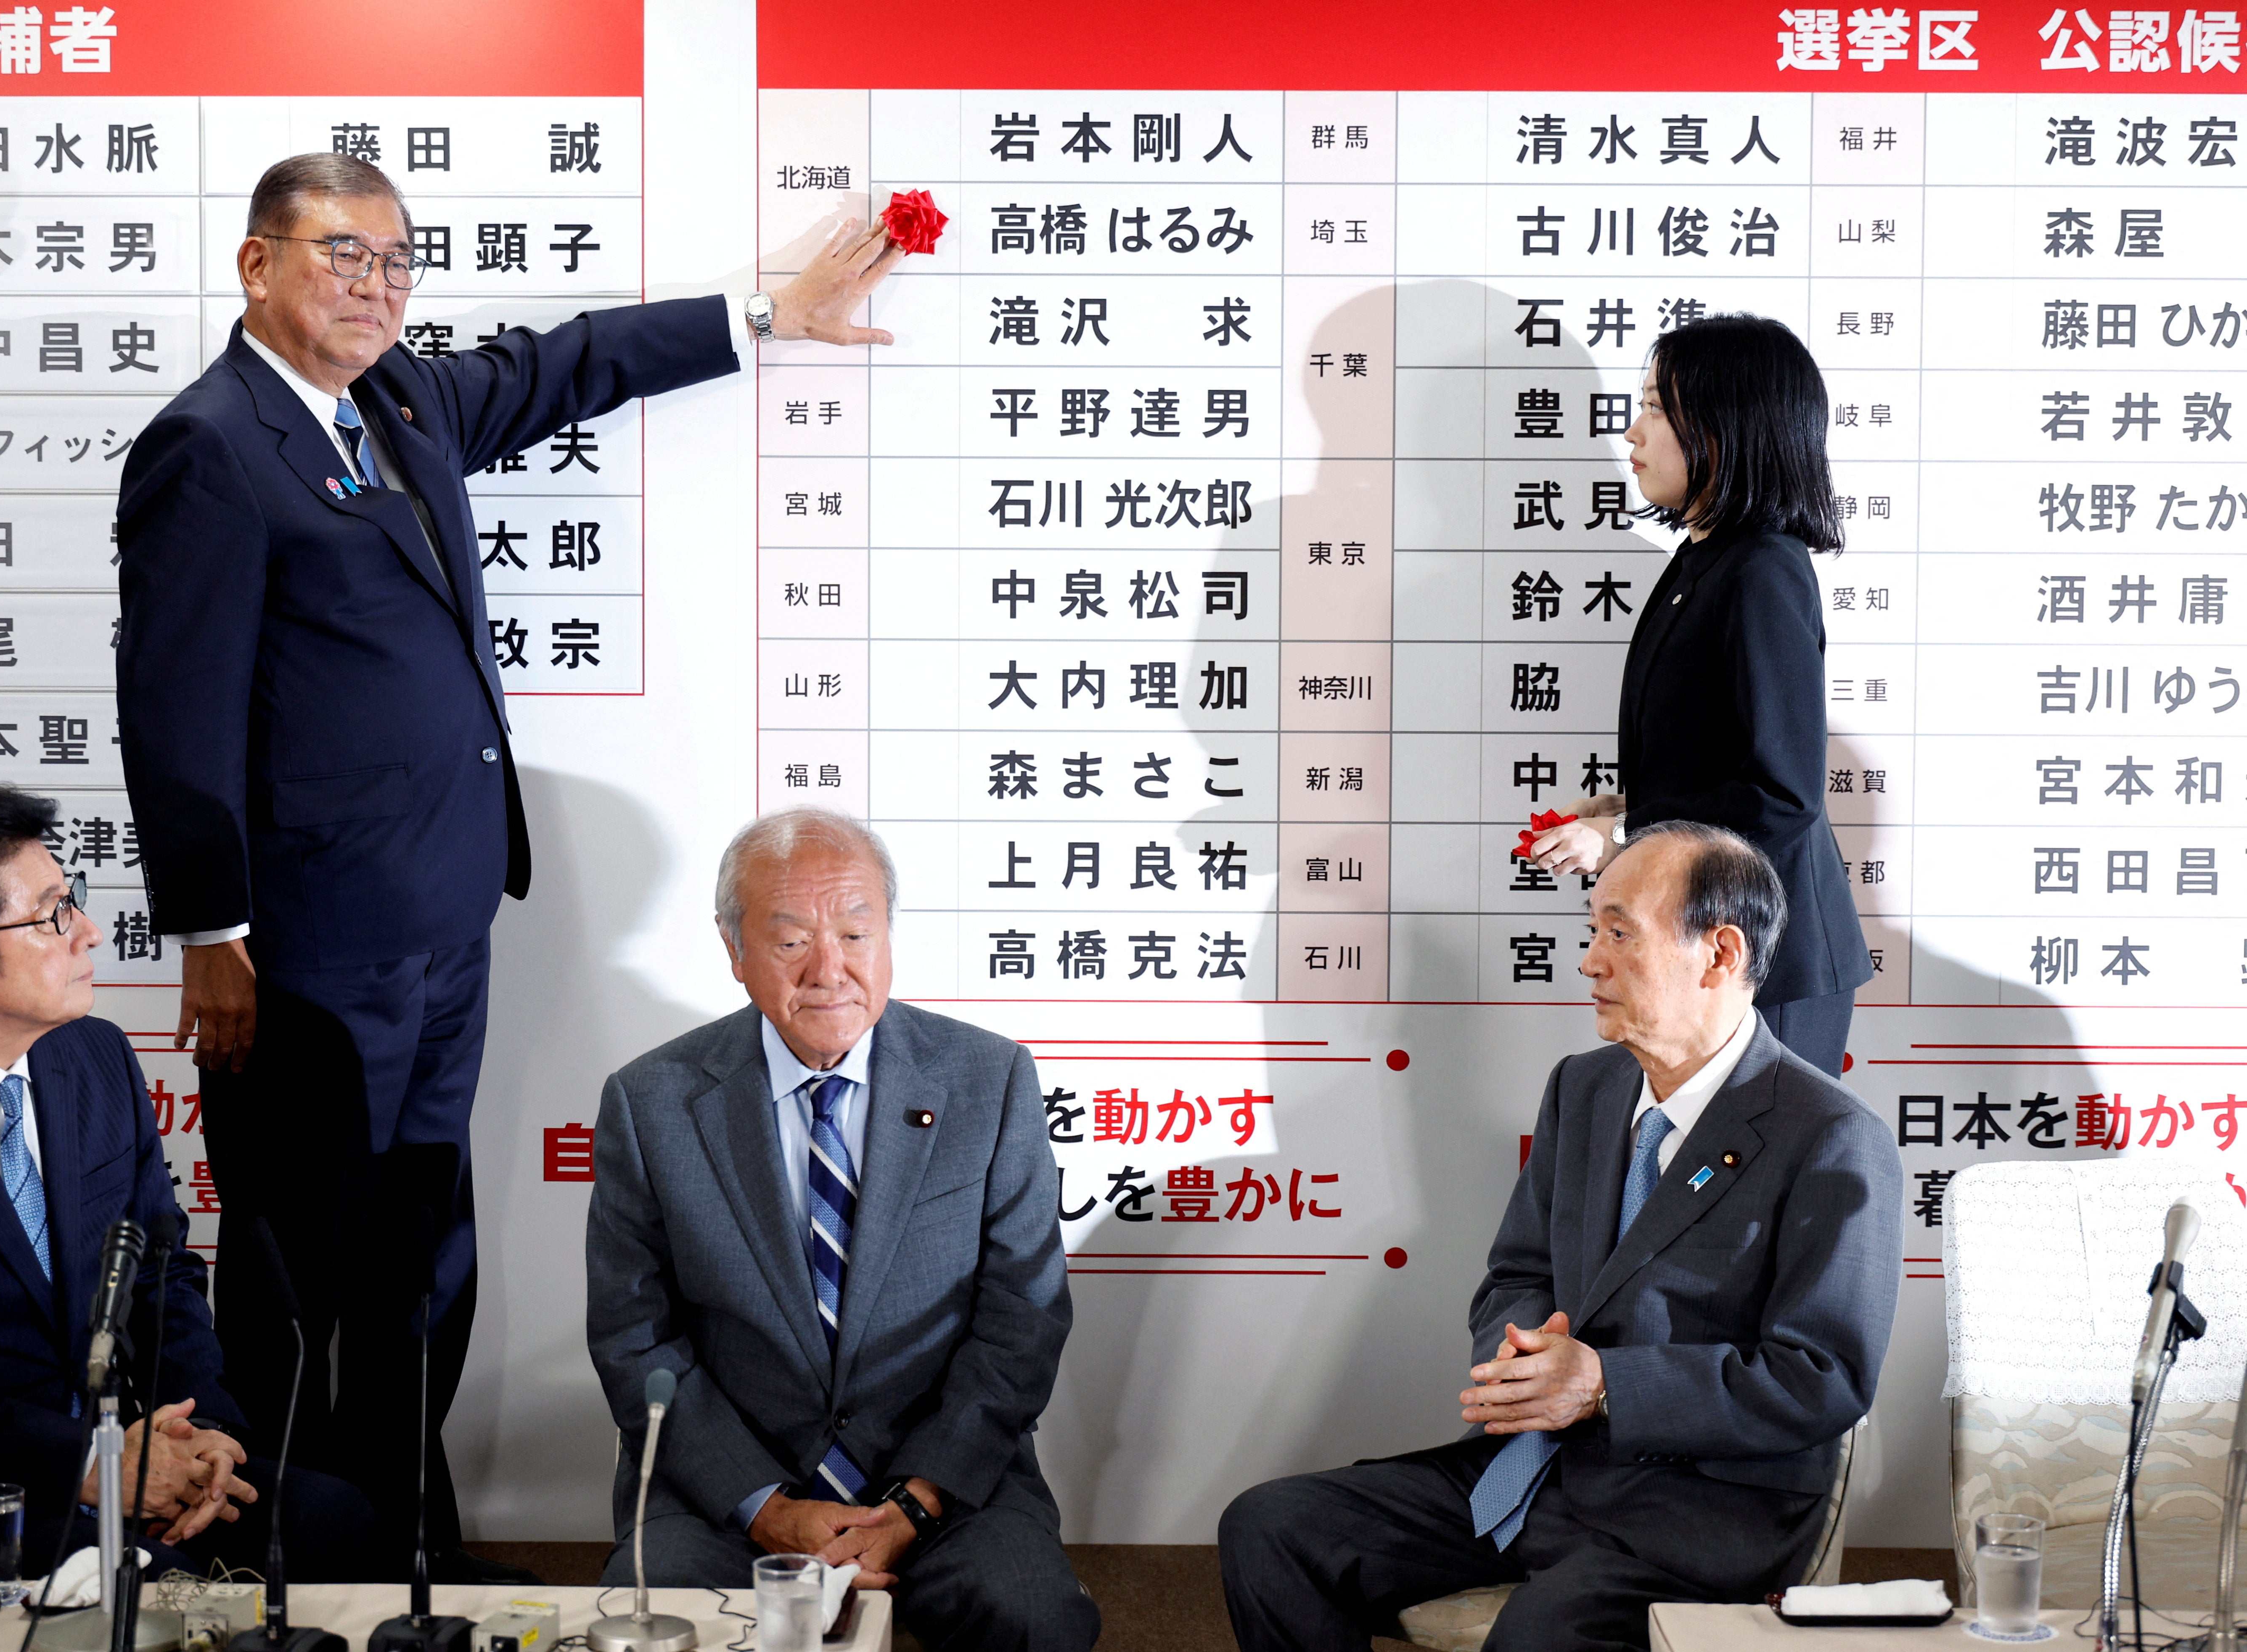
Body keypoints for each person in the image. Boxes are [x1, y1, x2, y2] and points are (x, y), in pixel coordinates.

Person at [113, 152, 900, 1578]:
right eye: (344, 257)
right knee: (309, 1279)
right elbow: (174, 713)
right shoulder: (211, 446)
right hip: (304, 950)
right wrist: (211, 936)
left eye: (398, 262)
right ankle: (294, 1551)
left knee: (424, 1263)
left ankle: (404, 1539)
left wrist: (766, 311)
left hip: (443, 926)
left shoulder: (402, 400)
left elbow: (566, 366)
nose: (377, 288)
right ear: (257, 265)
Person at [1219, 822, 1902, 1652]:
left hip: (1699, 1510)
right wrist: (1523, 1358)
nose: (1588, 961)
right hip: (1541, 1468)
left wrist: (1606, 1383)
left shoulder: (1826, 1134)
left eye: (1619, 933)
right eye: (1591, 933)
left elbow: (1821, 1377)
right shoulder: (1584, 1088)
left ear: (1719, 954)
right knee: (1276, 1529)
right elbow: (1517, 1269)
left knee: (1543, 1635)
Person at [0, 785, 372, 1580]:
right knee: (151, 1584)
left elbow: (163, 1273)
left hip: (131, 1450)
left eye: (74, 896)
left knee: (336, 1520)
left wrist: (208, 1431)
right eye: (51, 914)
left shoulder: (95, 1059)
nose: (87, 931)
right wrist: (95, 1463)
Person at [584, 809, 1098, 1652]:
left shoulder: (989, 1080)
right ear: (733, 947)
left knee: (1035, 1616)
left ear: (890, 935)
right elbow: (635, 1336)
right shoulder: (652, 1103)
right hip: (729, 1491)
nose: (830, 970)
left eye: (856, 933)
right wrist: (768, 1508)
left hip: (942, 1480)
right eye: (790, 941)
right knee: (642, 1626)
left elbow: (1023, 1318)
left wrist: (911, 1504)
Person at [1527, 314, 1872, 1079]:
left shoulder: (1762, 570)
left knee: (1752, 1191)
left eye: (1655, 407)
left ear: (1721, 427)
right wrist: (1626, 807)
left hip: (1767, 967)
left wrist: (1629, 838)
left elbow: (1780, 792)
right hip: (1717, 953)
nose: (1630, 434)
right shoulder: (1706, 559)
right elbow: (1721, 750)